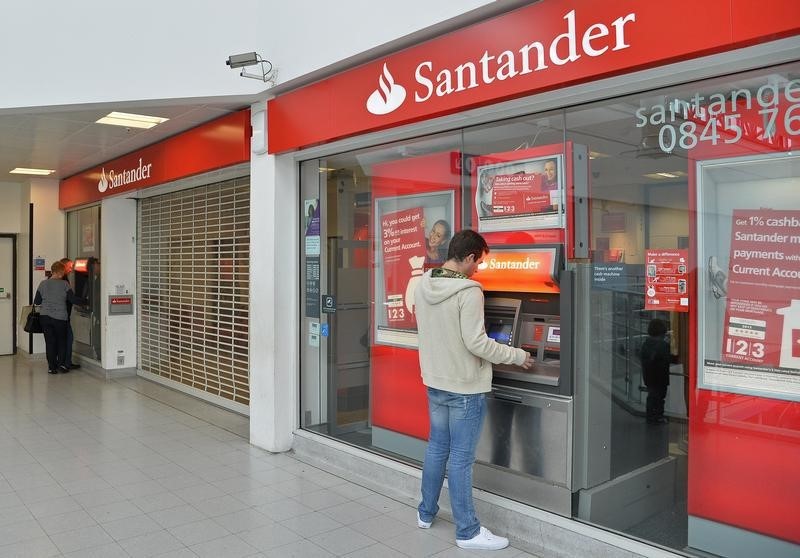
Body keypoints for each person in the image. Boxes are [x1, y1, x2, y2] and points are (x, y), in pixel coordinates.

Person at [414, 229, 534, 551]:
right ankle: (467, 531)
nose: (477, 269)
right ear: (468, 257)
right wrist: (518, 356)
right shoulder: (469, 292)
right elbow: (477, 343)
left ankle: (425, 512)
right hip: (464, 388)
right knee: (461, 459)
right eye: (477, 262)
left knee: (437, 448)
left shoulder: (425, 284)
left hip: (435, 382)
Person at [34, 261, 86, 374]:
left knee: (50, 342)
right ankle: (62, 365)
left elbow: (37, 301)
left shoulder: (43, 284)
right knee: (62, 342)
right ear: (60, 272)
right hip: (60, 318)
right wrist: (86, 301)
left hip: (45, 318)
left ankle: (51, 368)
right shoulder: (64, 284)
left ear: (52, 271)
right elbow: (72, 300)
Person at [640, 318, 671, 424]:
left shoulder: (646, 343)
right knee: (660, 397)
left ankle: (651, 416)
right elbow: (668, 359)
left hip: (648, 376)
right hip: (660, 377)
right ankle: (658, 416)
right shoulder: (663, 345)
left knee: (652, 396)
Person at [59, 258, 80, 369]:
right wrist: (85, 301)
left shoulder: (58, 279)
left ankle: (63, 363)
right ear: (63, 266)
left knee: (62, 340)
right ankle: (65, 363)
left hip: (60, 315)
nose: (72, 269)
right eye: (70, 266)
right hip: (62, 316)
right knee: (68, 339)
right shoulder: (62, 280)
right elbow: (70, 298)